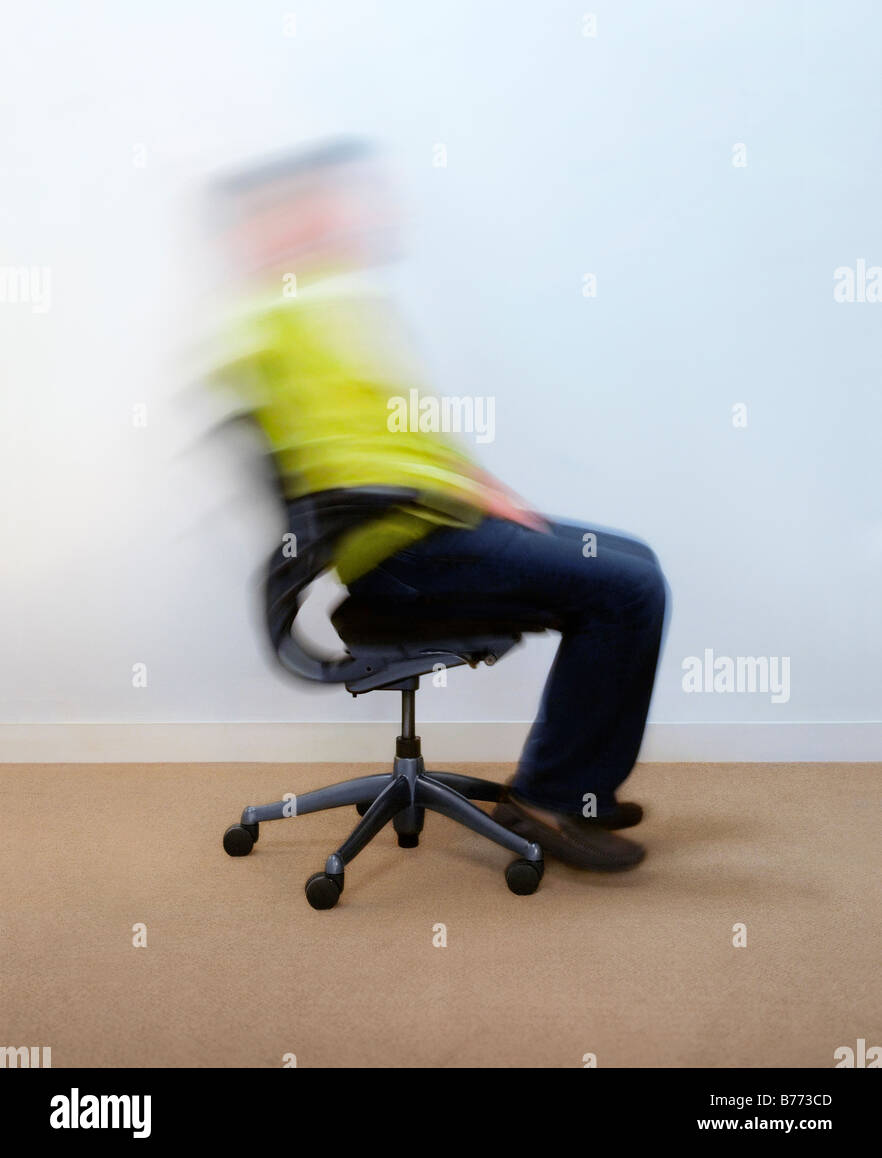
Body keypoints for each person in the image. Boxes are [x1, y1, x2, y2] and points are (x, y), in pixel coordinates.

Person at [211, 139, 669, 872]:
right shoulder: (279, 327)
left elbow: (399, 442)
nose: (338, 216)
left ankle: (580, 786)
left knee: (632, 560)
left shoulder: (333, 312)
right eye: (306, 209)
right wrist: (456, 495)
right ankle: (553, 792)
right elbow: (342, 476)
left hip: (437, 523)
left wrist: (485, 490)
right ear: (265, 232)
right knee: (629, 589)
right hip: (404, 550)